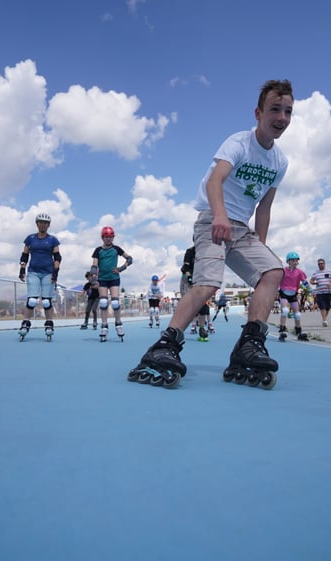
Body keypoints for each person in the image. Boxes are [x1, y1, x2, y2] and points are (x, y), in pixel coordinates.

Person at [128, 79, 294, 389]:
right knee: (207, 283)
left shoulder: (280, 161)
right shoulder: (239, 143)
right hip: (212, 218)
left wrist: (260, 244)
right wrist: (219, 215)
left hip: (242, 229)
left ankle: (250, 344)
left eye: (287, 111)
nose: (281, 118)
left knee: (272, 271)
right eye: (274, 109)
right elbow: (214, 182)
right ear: (258, 113)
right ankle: (165, 346)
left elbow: (265, 207)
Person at [18, 213, 61, 341]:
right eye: (41, 222)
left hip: (48, 272)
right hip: (33, 272)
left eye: (45, 223)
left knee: (46, 301)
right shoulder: (30, 238)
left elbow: (57, 257)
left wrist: (55, 273)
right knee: (31, 300)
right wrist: (22, 269)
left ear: (48, 225)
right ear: (37, 224)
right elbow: (24, 255)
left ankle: (49, 323)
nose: (43, 224)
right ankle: (25, 322)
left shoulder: (53, 240)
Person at [89, 226, 133, 342]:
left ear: (113, 237)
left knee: (114, 302)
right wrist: (94, 279)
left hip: (114, 278)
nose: (108, 239)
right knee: (103, 302)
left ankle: (118, 324)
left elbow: (129, 259)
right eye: (106, 237)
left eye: (110, 237)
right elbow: (94, 266)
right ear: (102, 237)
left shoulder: (116, 249)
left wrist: (121, 268)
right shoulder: (98, 250)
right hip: (102, 279)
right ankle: (104, 326)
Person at [277, 251, 310, 341]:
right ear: (289, 261)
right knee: (284, 310)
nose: (295, 262)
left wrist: (310, 289)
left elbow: (304, 282)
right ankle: (282, 331)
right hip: (284, 293)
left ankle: (298, 332)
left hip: (293, 294)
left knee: (297, 314)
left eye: (296, 260)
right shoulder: (283, 271)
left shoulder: (300, 272)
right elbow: (277, 280)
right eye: (293, 260)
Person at [310, 258, 331, 326]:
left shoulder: (329, 271)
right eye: (319, 264)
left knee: (327, 307)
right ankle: (324, 320)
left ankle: (324, 318)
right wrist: (315, 282)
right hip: (319, 292)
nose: (320, 265)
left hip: (328, 291)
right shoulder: (316, 273)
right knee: (322, 306)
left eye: (321, 264)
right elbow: (311, 281)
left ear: (324, 264)